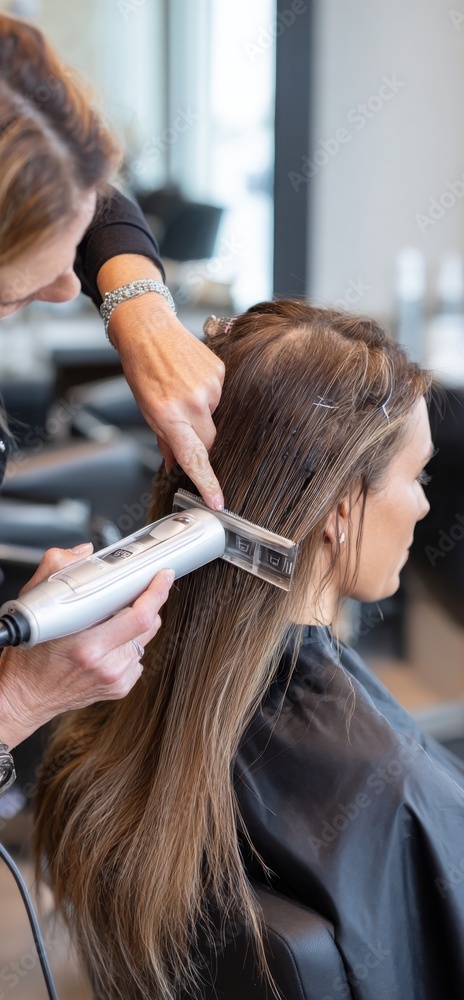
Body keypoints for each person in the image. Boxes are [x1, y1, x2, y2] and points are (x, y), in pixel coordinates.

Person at [0, 2, 225, 997]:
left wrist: (137, 307)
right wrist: (14, 704)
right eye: (8, 289)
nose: (58, 290)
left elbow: (85, 194)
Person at [34, 299, 464, 1000]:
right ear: (340, 510)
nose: (422, 505)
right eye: (415, 476)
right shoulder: (407, 791)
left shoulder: (116, 700)